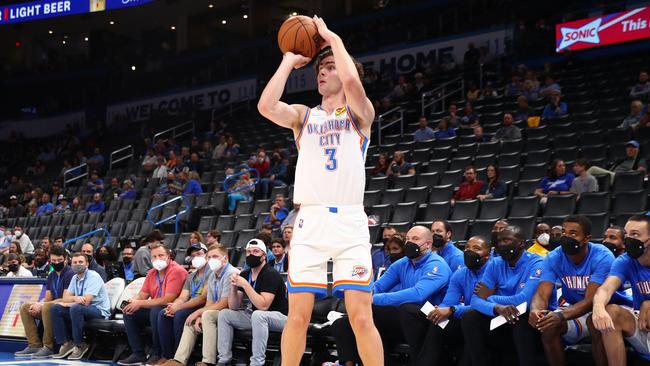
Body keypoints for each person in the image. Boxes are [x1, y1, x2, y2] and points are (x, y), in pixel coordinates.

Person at [257, 15, 383, 366]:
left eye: (328, 67)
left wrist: (333, 40)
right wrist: (287, 61)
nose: (321, 72)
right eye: (319, 68)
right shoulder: (303, 116)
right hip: (309, 222)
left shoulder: (360, 115)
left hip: (349, 221)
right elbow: (265, 106)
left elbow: (355, 85)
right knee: (297, 317)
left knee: (360, 317)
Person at [333, 225, 452, 366]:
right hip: (406, 316)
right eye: (407, 239)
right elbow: (377, 287)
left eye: (415, 239)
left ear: (428, 244)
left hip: (435, 316)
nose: (409, 243)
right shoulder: (403, 263)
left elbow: (418, 294)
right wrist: (359, 296)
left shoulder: (437, 265)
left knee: (400, 308)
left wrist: (371, 299)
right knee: (344, 323)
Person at [530, 215, 632, 366]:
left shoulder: (602, 256)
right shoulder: (554, 256)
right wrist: (536, 310)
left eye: (573, 233)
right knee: (549, 328)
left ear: (586, 238)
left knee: (595, 322)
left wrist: (561, 315)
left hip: (609, 307)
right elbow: (542, 293)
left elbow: (591, 300)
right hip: (575, 310)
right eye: (564, 232)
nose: (566, 237)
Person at [400, 235, 491, 366]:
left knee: (470, 318)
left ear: (488, 255)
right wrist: (440, 310)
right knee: (427, 317)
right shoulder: (460, 274)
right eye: (467, 248)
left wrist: (452, 309)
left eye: (476, 248)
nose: (469, 251)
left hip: (487, 321)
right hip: (463, 319)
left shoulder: (493, 271)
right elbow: (448, 303)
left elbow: (486, 307)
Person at [463, 225, 544, 366]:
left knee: (520, 316)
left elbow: (524, 299)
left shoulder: (537, 263)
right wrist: (497, 308)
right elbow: (475, 300)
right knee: (470, 316)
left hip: (532, 321)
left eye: (506, 240)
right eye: (499, 241)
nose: (501, 244)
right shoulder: (495, 263)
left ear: (521, 243)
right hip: (502, 319)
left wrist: (491, 297)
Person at [161, 244, 239, 366]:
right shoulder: (213, 274)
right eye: (209, 257)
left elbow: (225, 303)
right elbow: (209, 302)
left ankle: (208, 361)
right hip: (216, 310)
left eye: (215, 256)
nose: (211, 259)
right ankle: (179, 360)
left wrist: (199, 312)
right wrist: (198, 316)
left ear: (225, 258)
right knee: (191, 320)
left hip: (232, 312)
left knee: (205, 315)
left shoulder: (231, 273)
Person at [217, 239, 288, 366]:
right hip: (258, 317)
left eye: (256, 252)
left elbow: (263, 305)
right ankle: (224, 359)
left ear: (264, 256)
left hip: (280, 317)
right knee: (224, 314)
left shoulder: (270, 274)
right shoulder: (245, 274)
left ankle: (257, 362)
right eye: (249, 252)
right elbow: (234, 306)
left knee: (258, 315)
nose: (251, 255)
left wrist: (245, 285)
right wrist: (233, 287)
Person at [592, 215, 650, 365]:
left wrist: (648, 303)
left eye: (635, 234)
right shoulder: (625, 261)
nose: (629, 239)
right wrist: (598, 308)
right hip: (644, 328)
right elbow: (605, 288)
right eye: (627, 234)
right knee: (610, 312)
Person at [118, 243, 188, 366]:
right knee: (130, 312)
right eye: (154, 257)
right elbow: (142, 295)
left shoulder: (177, 271)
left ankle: (158, 353)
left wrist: (139, 303)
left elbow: (168, 299)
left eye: (161, 255)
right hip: (156, 308)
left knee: (156, 310)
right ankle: (138, 353)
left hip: (173, 309)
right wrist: (132, 301)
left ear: (169, 256)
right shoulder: (151, 273)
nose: (157, 259)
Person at [50, 252, 110, 360]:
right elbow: (65, 298)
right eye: (75, 262)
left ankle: (80, 344)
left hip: (98, 310)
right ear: (71, 264)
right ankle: (66, 343)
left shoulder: (94, 276)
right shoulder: (74, 277)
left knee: (76, 308)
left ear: (87, 264)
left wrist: (72, 301)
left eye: (81, 262)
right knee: (55, 308)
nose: (78, 264)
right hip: (81, 309)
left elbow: (86, 301)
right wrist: (75, 298)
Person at [156, 243, 210, 365]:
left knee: (180, 315)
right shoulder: (191, 276)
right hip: (190, 305)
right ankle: (167, 356)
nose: (196, 257)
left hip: (204, 306)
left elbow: (203, 298)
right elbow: (183, 297)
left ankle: (179, 358)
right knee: (164, 313)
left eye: (199, 254)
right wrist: (173, 306)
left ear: (206, 255)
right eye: (193, 256)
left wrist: (179, 307)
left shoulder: (211, 272)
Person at [16, 246, 73, 359]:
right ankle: (34, 344)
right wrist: (38, 304)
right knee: (25, 307)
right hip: (51, 305)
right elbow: (47, 298)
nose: (56, 263)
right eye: (53, 261)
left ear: (65, 259)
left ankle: (49, 346)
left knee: (47, 307)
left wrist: (43, 304)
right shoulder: (51, 275)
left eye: (59, 260)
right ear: (50, 261)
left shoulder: (70, 273)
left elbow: (66, 299)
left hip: (65, 307)